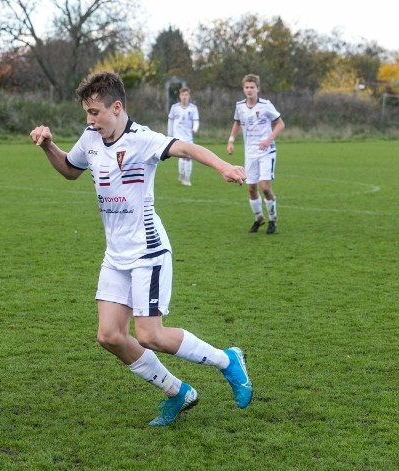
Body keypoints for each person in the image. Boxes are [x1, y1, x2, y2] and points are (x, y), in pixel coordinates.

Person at [29, 71, 252, 427]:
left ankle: (228, 361)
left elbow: (185, 147)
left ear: (116, 107)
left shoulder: (142, 139)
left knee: (151, 335)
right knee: (110, 336)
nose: (90, 120)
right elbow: (71, 170)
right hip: (115, 255)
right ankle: (177, 392)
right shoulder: (90, 138)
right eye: (87, 113)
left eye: (95, 112)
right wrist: (47, 146)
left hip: (147, 251)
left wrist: (223, 166)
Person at [227, 73, 284, 234]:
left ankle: (273, 219)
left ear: (257, 88)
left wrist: (268, 139)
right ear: (243, 89)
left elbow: (280, 124)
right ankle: (258, 218)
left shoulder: (266, 105)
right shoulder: (240, 106)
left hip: (266, 151)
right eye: (247, 87)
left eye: (252, 87)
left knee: (265, 187)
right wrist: (231, 140)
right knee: (251, 188)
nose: (249, 90)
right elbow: (237, 122)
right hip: (250, 152)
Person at [167, 87, 200, 186]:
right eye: (182, 95)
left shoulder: (193, 108)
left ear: (189, 96)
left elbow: (196, 120)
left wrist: (194, 129)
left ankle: (186, 178)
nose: (184, 97)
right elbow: (170, 121)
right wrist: (169, 134)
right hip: (178, 136)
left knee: (190, 156)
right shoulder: (174, 107)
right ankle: (182, 176)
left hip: (188, 136)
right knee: (182, 156)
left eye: (186, 95)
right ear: (179, 96)